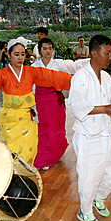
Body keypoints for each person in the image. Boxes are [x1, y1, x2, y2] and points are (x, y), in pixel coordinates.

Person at [0, 37, 72, 165]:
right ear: (8, 54)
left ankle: (27, 177)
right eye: (16, 54)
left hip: (27, 119)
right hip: (10, 121)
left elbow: (53, 77)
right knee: (12, 154)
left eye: (23, 54)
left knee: (29, 151)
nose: (20, 58)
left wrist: (76, 81)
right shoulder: (2, 74)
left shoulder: (31, 72)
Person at [69, 35, 111, 221]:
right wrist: (105, 109)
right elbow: (77, 106)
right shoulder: (81, 77)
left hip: (104, 133)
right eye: (107, 52)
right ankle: (84, 211)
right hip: (88, 136)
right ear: (94, 53)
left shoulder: (106, 77)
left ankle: (98, 197)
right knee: (89, 176)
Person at [32, 38, 90, 170]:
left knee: (54, 131)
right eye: (45, 48)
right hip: (40, 101)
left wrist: (92, 60)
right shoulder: (34, 67)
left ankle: (54, 154)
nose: (48, 51)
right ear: (40, 50)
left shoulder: (58, 63)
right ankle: (44, 157)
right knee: (43, 130)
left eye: (50, 48)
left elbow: (75, 66)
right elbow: (31, 86)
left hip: (54, 101)